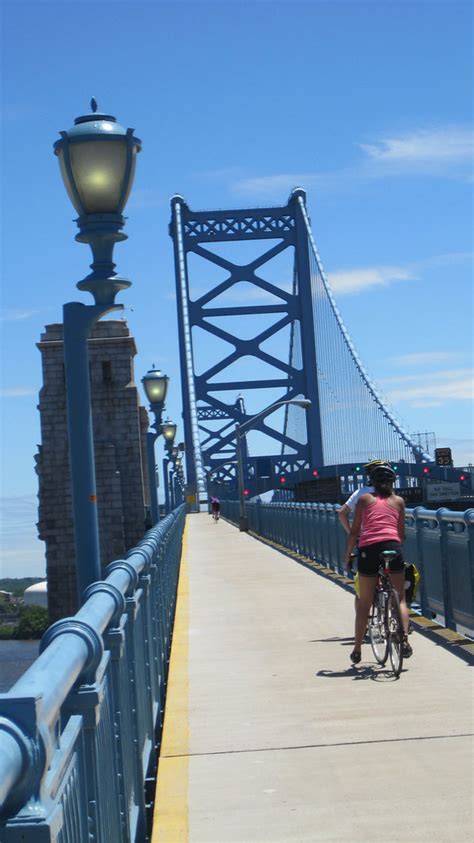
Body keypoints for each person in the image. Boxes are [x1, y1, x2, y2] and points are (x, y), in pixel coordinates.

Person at [344, 464, 413, 665]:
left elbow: (355, 532)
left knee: (364, 602)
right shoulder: (399, 501)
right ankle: (405, 641)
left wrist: (347, 555)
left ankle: (357, 649)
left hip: (369, 550)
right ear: (393, 483)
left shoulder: (365, 499)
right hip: (393, 548)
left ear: (371, 484)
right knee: (400, 599)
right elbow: (400, 535)